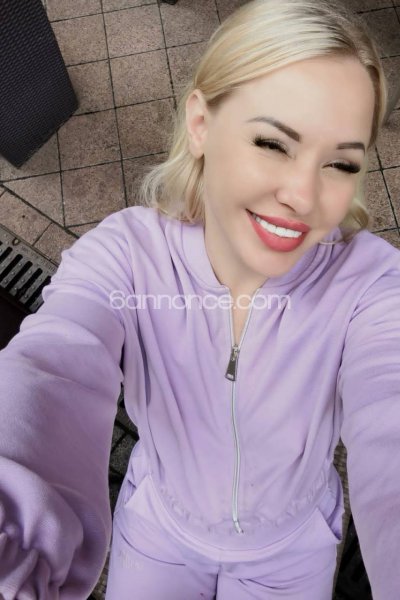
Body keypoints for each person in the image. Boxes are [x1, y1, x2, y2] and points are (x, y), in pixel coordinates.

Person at [0, 0, 398, 598]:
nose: (303, 195)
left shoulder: (370, 285)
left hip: (291, 551)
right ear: (201, 123)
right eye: (273, 143)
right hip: (160, 529)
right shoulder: (127, 255)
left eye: (340, 162)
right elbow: (51, 367)